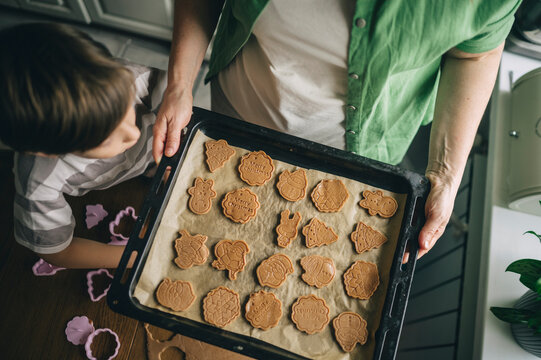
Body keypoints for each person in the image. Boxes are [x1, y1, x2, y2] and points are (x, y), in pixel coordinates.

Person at [154, 0, 522, 261]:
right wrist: (179, 85)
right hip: (241, 104)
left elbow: (476, 52)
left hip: (363, 150)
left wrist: (445, 174)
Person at [0, 23, 167, 268]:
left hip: (156, 164)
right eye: (108, 137)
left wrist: (169, 157)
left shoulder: (126, 77)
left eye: (127, 111)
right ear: (50, 151)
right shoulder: (39, 184)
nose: (133, 133)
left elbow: (174, 108)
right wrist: (135, 257)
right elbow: (58, 252)